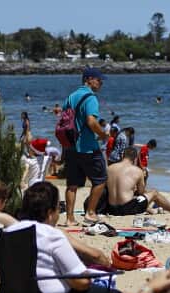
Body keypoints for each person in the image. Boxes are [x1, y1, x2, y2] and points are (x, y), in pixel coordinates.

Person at [5, 181, 127, 293]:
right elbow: (81, 283)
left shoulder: (8, 232)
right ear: (50, 213)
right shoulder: (52, 235)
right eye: (58, 208)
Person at [62, 68, 110, 227]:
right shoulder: (90, 98)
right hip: (87, 146)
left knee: (72, 184)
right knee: (101, 179)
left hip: (70, 146)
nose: (101, 83)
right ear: (89, 79)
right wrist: (103, 135)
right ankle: (90, 213)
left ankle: (69, 219)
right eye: (99, 80)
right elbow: (91, 121)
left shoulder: (70, 97)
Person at [103, 147, 170, 216]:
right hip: (127, 209)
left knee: (133, 197)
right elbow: (141, 192)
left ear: (123, 155)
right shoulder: (137, 171)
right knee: (154, 193)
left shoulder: (109, 168)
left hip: (111, 208)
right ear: (135, 158)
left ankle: (152, 211)